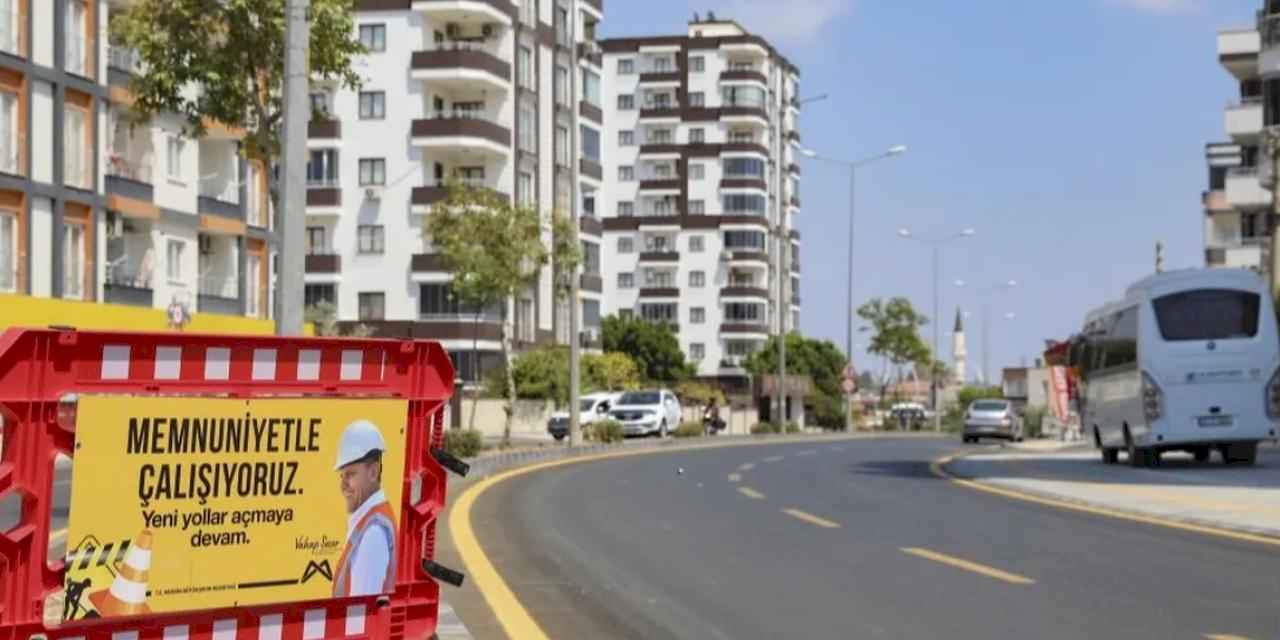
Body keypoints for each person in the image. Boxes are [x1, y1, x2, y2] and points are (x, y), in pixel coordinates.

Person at [332, 420, 398, 597]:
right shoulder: (366, 522)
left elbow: (361, 609)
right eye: (342, 476)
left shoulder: (373, 533)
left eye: (350, 474)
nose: (343, 485)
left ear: (373, 472)